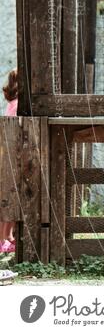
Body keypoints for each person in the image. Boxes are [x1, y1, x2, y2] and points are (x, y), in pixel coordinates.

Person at [1, 69, 17, 254]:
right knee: (9, 200)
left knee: (11, 199)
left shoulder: (13, 102)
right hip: (12, 156)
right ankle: (4, 238)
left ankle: (9, 237)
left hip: (9, 154)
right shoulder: (17, 104)